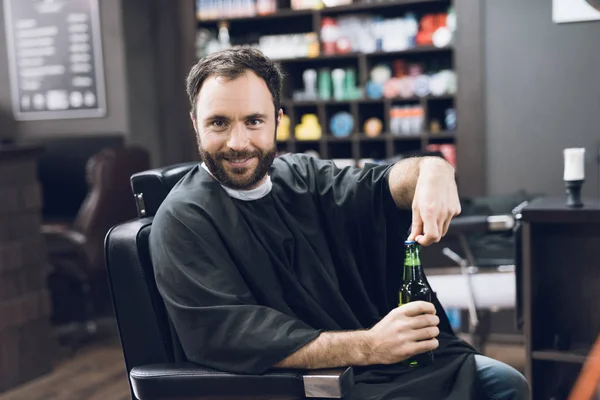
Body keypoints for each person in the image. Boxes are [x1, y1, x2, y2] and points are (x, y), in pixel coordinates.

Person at [149, 47, 529, 400]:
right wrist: (371, 345)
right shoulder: (183, 220)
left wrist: (433, 170)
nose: (237, 141)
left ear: (277, 121)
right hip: (305, 385)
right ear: (195, 123)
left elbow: (380, 187)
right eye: (218, 123)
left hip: (378, 366)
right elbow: (231, 337)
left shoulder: (302, 176)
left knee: (507, 383)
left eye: (253, 121)